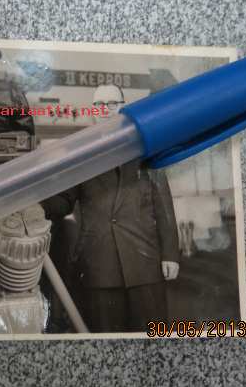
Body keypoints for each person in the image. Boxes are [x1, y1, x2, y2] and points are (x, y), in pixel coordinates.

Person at [41, 84, 180, 333]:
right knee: (105, 342)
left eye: (112, 103)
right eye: (99, 104)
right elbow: (63, 201)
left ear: (123, 107)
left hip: (144, 265)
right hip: (99, 267)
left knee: (153, 340)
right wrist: (33, 201)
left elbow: (163, 204)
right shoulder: (81, 153)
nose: (105, 109)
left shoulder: (146, 146)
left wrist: (170, 253)